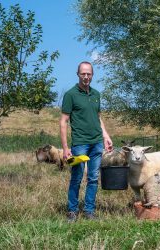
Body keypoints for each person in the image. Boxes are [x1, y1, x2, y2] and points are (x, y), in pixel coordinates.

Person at [60, 61, 113, 222]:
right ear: (78, 74)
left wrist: (105, 135)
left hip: (96, 143)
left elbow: (98, 117)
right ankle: (72, 211)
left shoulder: (96, 94)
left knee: (93, 179)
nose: (86, 77)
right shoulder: (70, 94)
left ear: (92, 75)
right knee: (76, 178)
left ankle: (89, 211)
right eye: (83, 73)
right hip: (80, 144)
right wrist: (65, 147)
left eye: (89, 74)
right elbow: (63, 121)